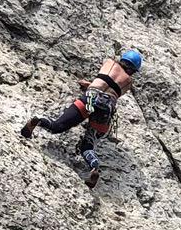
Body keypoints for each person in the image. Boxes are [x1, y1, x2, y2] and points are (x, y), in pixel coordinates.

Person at [21, 47, 143, 188]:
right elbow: (111, 89)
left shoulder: (109, 62)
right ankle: (94, 166)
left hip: (90, 98)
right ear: (133, 70)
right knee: (88, 144)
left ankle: (38, 121)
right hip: (105, 108)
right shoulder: (128, 82)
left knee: (57, 126)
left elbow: (104, 83)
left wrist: (89, 85)